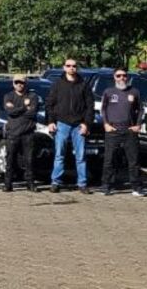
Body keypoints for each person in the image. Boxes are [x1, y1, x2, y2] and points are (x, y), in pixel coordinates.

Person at [46, 59, 95, 194]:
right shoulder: (57, 84)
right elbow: (49, 104)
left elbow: (90, 106)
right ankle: (55, 182)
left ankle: (82, 184)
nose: (71, 68)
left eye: (74, 66)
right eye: (68, 66)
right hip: (62, 124)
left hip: (78, 125)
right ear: (64, 67)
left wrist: (86, 124)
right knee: (59, 155)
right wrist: (51, 121)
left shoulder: (83, 85)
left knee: (80, 156)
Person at [100, 67, 147, 197]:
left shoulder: (134, 91)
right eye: (118, 76)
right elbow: (103, 109)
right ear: (114, 77)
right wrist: (106, 124)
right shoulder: (108, 92)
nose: (122, 78)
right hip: (113, 130)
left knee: (133, 160)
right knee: (109, 159)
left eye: (124, 76)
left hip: (129, 130)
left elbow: (141, 110)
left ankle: (137, 187)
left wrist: (138, 125)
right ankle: (106, 186)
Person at [2, 74, 39, 193]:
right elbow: (10, 112)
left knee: (29, 160)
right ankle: (8, 184)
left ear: (25, 83)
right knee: (10, 159)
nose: (19, 84)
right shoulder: (8, 96)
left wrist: (18, 110)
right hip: (13, 133)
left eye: (21, 82)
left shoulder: (32, 96)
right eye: (16, 82)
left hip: (28, 133)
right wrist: (24, 106)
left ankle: (30, 184)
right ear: (13, 83)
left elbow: (32, 113)